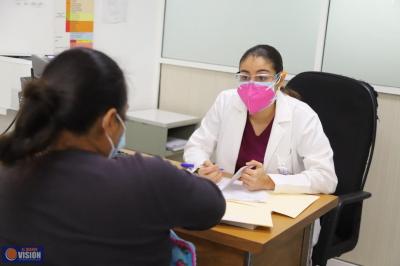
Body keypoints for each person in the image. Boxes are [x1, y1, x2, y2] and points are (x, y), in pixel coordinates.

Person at [0, 48, 225, 265]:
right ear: (109, 121)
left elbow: (20, 254)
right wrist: (198, 181)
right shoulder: (148, 179)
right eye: (122, 117)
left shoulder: (9, 173)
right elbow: (212, 208)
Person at [184, 44, 337, 195]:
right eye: (244, 77)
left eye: (262, 77)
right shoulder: (226, 101)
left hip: (280, 209)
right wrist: (200, 168)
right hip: (228, 199)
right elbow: (196, 147)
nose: (252, 85)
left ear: (280, 79)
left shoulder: (303, 115)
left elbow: (326, 178)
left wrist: (270, 181)